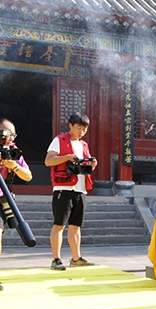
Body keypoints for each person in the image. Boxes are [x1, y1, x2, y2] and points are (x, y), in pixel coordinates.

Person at [44, 113, 97, 271]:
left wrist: (92, 164)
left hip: (80, 189)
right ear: (70, 125)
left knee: (75, 226)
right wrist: (66, 157)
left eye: (84, 129)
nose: (82, 131)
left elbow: (86, 167)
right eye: (79, 128)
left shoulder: (84, 145)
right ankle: (56, 259)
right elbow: (48, 161)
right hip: (63, 188)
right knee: (59, 225)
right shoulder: (59, 140)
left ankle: (76, 258)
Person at [1, 118, 33, 290]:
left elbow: (28, 176)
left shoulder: (13, 152)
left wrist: (14, 166)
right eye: (7, 134)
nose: (11, 138)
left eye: (13, 134)